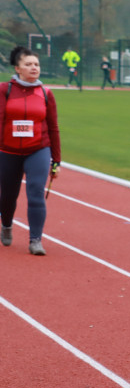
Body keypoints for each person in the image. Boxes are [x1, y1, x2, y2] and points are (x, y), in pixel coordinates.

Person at [1, 46, 61, 256]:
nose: (34, 68)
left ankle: (35, 240)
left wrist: (57, 159)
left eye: (36, 64)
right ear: (18, 68)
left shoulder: (45, 93)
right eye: (28, 64)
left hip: (38, 149)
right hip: (8, 151)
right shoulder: (4, 90)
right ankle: (7, 224)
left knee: (36, 192)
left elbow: (53, 127)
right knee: (8, 195)